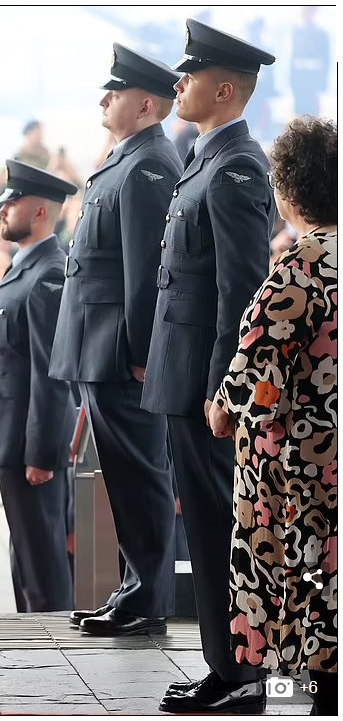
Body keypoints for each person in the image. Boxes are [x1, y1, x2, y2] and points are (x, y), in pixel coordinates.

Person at [139, 20, 277, 714]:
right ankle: (224, 667)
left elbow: (243, 292)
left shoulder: (238, 166)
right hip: (183, 375)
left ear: (224, 89)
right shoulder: (203, 157)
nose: (178, 84)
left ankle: (245, 675)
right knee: (204, 525)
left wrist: (228, 390)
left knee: (222, 528)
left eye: (189, 76)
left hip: (205, 385)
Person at [50, 44, 182, 636]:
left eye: (116, 92)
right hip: (99, 346)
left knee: (139, 475)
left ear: (147, 104)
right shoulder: (128, 156)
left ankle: (148, 596)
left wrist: (139, 357)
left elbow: (146, 274)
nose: (105, 99)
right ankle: (134, 588)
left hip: (119, 352)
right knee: (123, 477)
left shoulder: (151, 163)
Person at [208, 116, 337, 717]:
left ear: (284, 194)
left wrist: (224, 410)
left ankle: (310, 697)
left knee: (303, 589)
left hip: (301, 476)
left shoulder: (298, 267)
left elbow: (258, 372)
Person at [0, 160, 78, 612]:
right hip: (12, 439)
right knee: (27, 552)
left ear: (40, 213)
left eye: (13, 202)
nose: (2, 210)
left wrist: (41, 454)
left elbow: (51, 375)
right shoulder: (26, 267)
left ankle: (54, 649)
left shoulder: (48, 273)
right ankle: (35, 639)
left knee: (42, 561)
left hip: (28, 446)